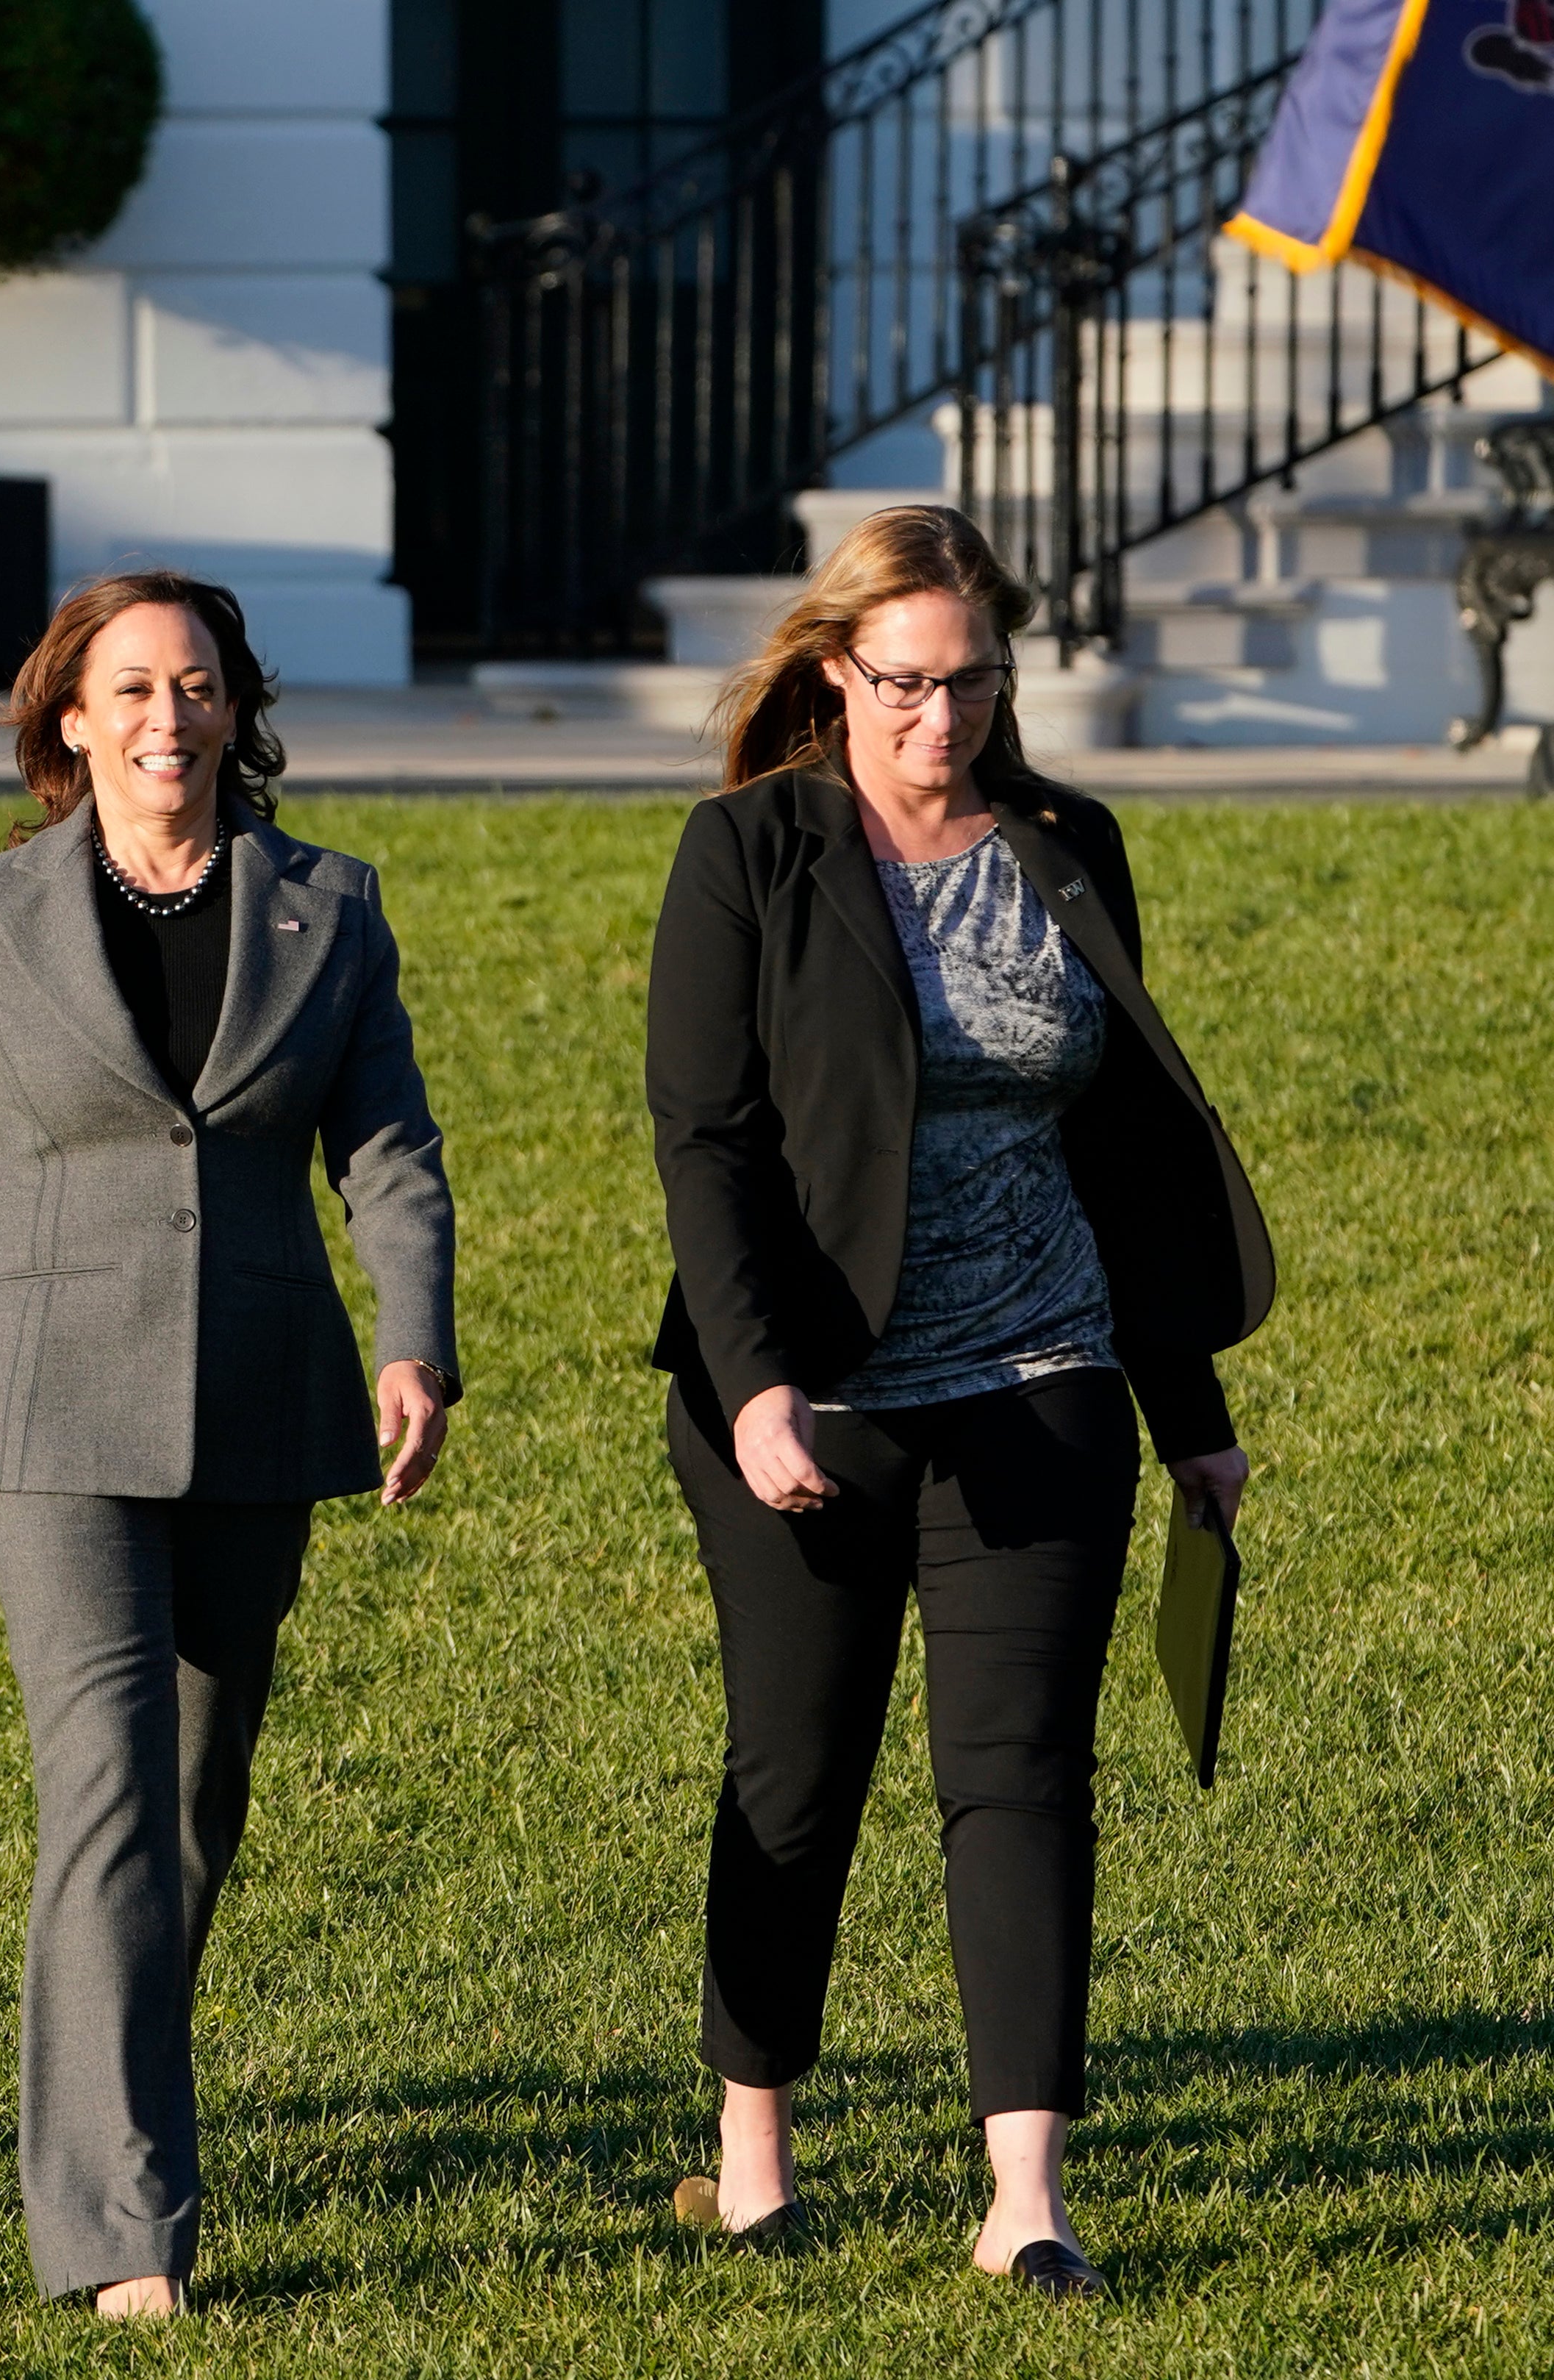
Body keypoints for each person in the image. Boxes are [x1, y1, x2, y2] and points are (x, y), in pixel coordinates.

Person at [0, 571, 461, 2318]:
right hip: (38, 1410)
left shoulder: (326, 906)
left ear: (237, 710)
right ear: (69, 719)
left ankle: (108, 2087)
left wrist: (414, 1341)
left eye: (198, 685)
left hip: (258, 1399)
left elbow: (385, 1145)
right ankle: (119, 2225)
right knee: (106, 1785)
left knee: (191, 1801)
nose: (169, 717)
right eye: (131, 688)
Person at [645, 505, 1271, 2298]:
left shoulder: (1067, 844)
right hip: (814, 1399)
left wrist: (1185, 1407)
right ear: (836, 673)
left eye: (975, 682)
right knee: (799, 1764)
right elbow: (707, 1144)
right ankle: (752, 2153)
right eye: (907, 685)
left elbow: (1131, 1138)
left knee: (1021, 1776)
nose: (944, 720)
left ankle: (1025, 2198)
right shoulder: (747, 852)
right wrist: (759, 1384)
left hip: (1043, 1371)